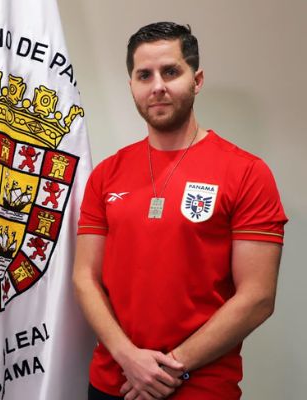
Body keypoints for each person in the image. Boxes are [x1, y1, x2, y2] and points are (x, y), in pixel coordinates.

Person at [73, 22, 288, 400]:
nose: (157, 86)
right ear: (132, 86)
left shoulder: (247, 173)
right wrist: (128, 358)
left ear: (197, 79)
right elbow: (85, 278)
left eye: (170, 71)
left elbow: (256, 297)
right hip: (113, 383)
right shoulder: (107, 174)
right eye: (144, 75)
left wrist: (169, 368)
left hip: (199, 387)